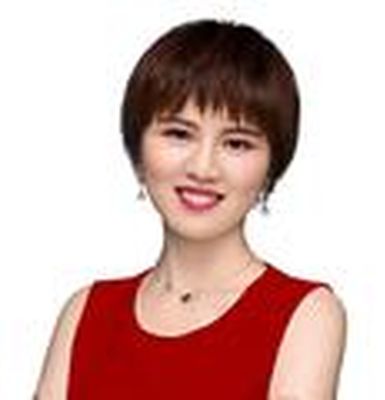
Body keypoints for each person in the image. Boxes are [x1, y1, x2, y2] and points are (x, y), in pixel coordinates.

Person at [35, 18, 347, 399]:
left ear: (271, 167)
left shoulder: (307, 314)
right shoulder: (85, 312)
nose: (203, 168)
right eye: (179, 134)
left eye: (236, 143)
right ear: (137, 152)